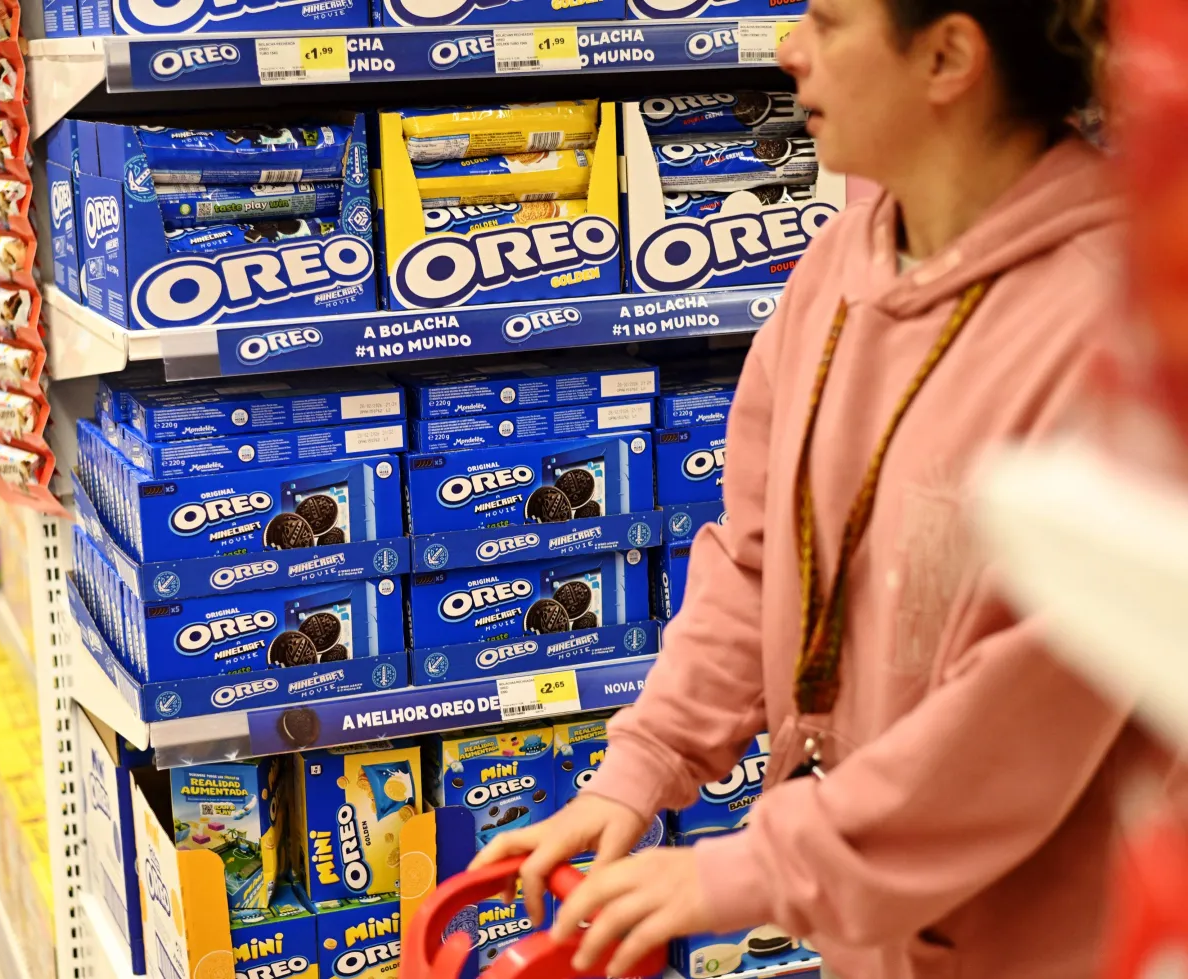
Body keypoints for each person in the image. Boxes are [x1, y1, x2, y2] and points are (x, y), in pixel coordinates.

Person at [472, 1, 1124, 976]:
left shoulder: (1114, 326)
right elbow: (760, 556)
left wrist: (748, 869)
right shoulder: (838, 265)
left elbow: (1022, 717)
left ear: (947, 55)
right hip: (871, 930)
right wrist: (637, 772)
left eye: (827, 20)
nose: (790, 49)